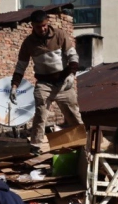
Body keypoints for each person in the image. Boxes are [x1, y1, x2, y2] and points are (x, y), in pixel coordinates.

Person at [10, 13, 83, 151]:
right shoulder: (28, 43)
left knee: (73, 114)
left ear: (47, 22)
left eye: (44, 25)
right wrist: (14, 86)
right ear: (32, 26)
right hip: (44, 83)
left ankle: (81, 143)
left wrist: (72, 74)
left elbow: (72, 55)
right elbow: (21, 66)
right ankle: (36, 145)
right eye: (38, 27)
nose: (42, 29)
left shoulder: (60, 35)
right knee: (40, 113)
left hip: (63, 82)